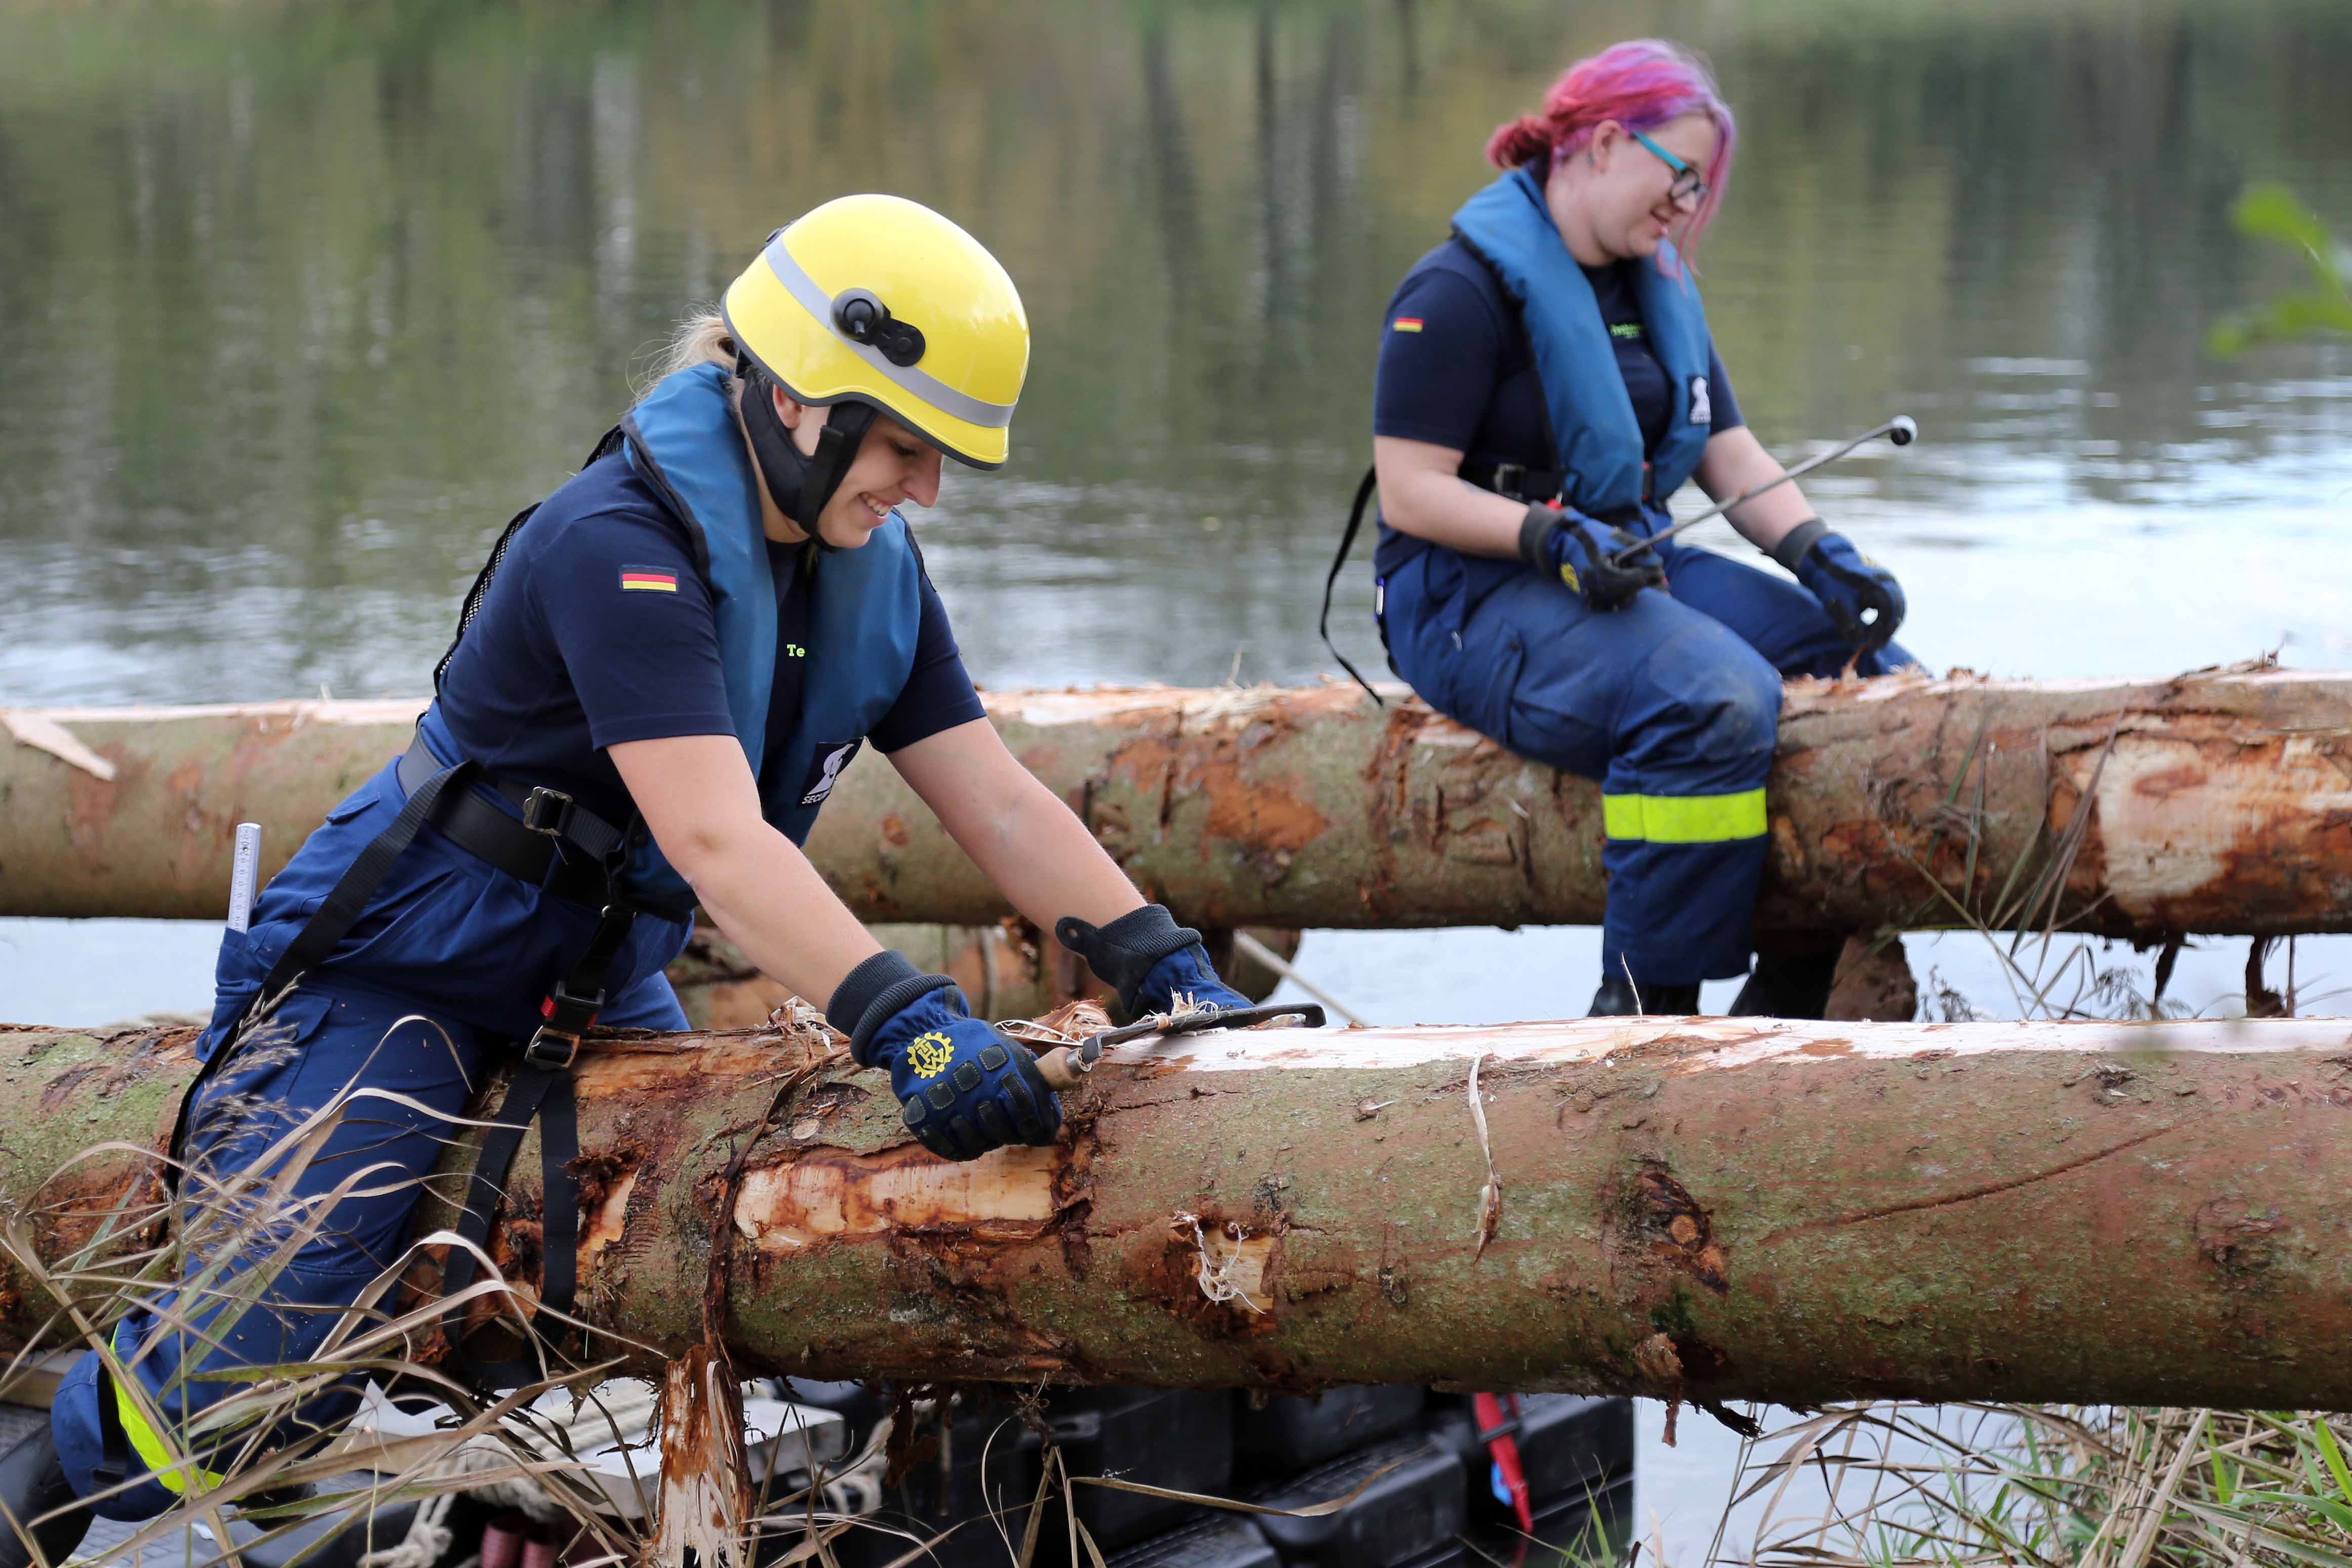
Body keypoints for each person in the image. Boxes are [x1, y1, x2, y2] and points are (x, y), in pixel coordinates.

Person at [0, 194, 1253, 1563]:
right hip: (406, 968)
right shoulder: (622, 547)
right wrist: (908, 1019)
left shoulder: (868, 569)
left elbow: (995, 792)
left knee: (656, 1286)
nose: (926, 491)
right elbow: (719, 845)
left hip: (595, 983)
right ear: (797, 396)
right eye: (905, 449)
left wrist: (1159, 956)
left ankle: (489, 1516)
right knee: (266, 1326)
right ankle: (38, 1493)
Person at [1350, 39, 1917, 1020]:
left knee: (1862, 663)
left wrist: (1821, 556)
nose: (1687, 208)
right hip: (1465, 597)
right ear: (1604, 142)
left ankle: (1788, 985)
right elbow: (1408, 491)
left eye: (1701, 189)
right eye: (1679, 178)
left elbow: (1726, 449)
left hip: (1621, 566)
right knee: (1708, 692)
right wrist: (1544, 538)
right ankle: (1646, 1006)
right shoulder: (1454, 292)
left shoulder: (1656, 284)